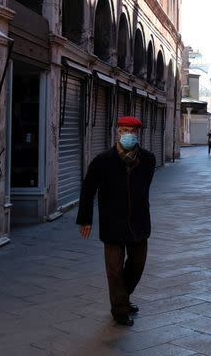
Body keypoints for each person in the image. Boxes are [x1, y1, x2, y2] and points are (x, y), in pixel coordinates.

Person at [77, 116, 156, 327]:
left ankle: (123, 296)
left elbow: (143, 189)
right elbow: (87, 190)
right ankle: (119, 309)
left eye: (131, 130)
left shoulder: (148, 160)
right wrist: (85, 219)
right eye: (123, 130)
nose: (127, 134)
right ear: (117, 132)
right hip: (112, 223)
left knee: (137, 265)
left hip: (139, 223)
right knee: (114, 269)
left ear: (137, 133)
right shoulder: (103, 160)